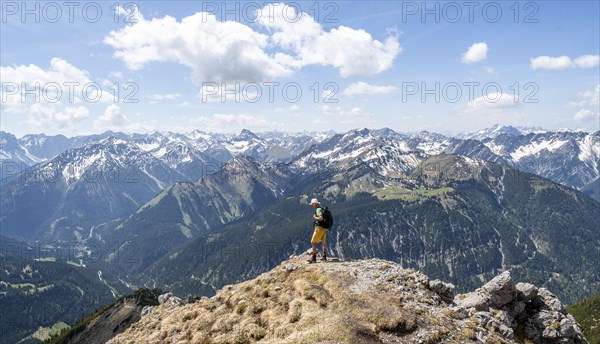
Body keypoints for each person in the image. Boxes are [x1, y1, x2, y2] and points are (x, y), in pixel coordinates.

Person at [308, 198, 327, 263]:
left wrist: (315, 217)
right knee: (323, 242)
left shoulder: (318, 209)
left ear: (315, 204)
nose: (312, 205)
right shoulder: (321, 208)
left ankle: (314, 258)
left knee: (313, 242)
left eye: (312, 204)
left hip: (319, 228)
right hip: (323, 228)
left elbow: (321, 218)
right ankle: (324, 257)